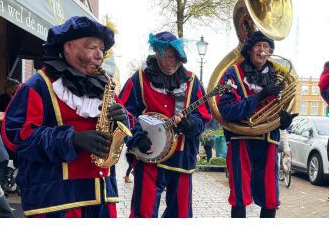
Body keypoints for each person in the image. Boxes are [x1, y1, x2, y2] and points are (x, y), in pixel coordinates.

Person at [2, 16, 130, 218]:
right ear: (68, 47)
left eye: (102, 50)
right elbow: (17, 136)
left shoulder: (104, 86)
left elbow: (124, 133)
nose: (99, 56)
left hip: (102, 197)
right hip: (57, 202)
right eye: (91, 48)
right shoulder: (38, 86)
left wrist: (122, 120)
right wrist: (73, 139)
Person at [118, 32, 211, 218]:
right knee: (144, 212)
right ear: (156, 54)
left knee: (181, 214)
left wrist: (190, 124)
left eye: (174, 57)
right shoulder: (140, 78)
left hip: (182, 158)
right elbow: (122, 113)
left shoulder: (192, 82)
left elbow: (204, 117)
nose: (170, 62)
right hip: (149, 157)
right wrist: (137, 137)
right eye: (165, 56)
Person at [216, 31, 297, 218]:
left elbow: (283, 107)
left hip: (268, 141)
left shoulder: (278, 75)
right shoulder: (233, 73)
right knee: (239, 196)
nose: (262, 50)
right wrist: (259, 96)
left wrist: (284, 120)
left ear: (270, 51)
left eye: (266, 46)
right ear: (249, 49)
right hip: (240, 140)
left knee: (270, 197)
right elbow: (226, 110)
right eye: (258, 46)